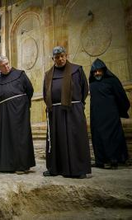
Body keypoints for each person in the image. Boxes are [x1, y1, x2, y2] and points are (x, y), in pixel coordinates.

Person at [43, 46, 91, 179]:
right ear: (53, 59)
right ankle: (55, 168)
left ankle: (79, 169)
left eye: (62, 56)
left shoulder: (77, 70)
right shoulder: (48, 74)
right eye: (57, 57)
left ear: (66, 55)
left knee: (75, 139)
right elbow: (45, 92)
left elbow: (84, 89)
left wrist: (78, 104)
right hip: (55, 112)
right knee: (56, 140)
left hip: (73, 109)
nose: (60, 59)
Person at [0, 56, 35, 174]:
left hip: (20, 111)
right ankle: (7, 165)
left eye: (7, 63)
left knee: (20, 137)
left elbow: (30, 90)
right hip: (5, 113)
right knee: (7, 137)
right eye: (3, 65)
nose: (7, 66)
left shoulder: (20, 74)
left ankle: (22, 165)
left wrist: (22, 104)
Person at [89, 58, 130, 169]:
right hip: (97, 117)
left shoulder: (112, 81)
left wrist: (120, 111)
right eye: (95, 71)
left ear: (104, 70)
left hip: (111, 117)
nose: (97, 73)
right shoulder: (92, 84)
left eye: (99, 71)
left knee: (112, 138)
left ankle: (114, 160)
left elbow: (121, 97)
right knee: (98, 138)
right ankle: (100, 161)